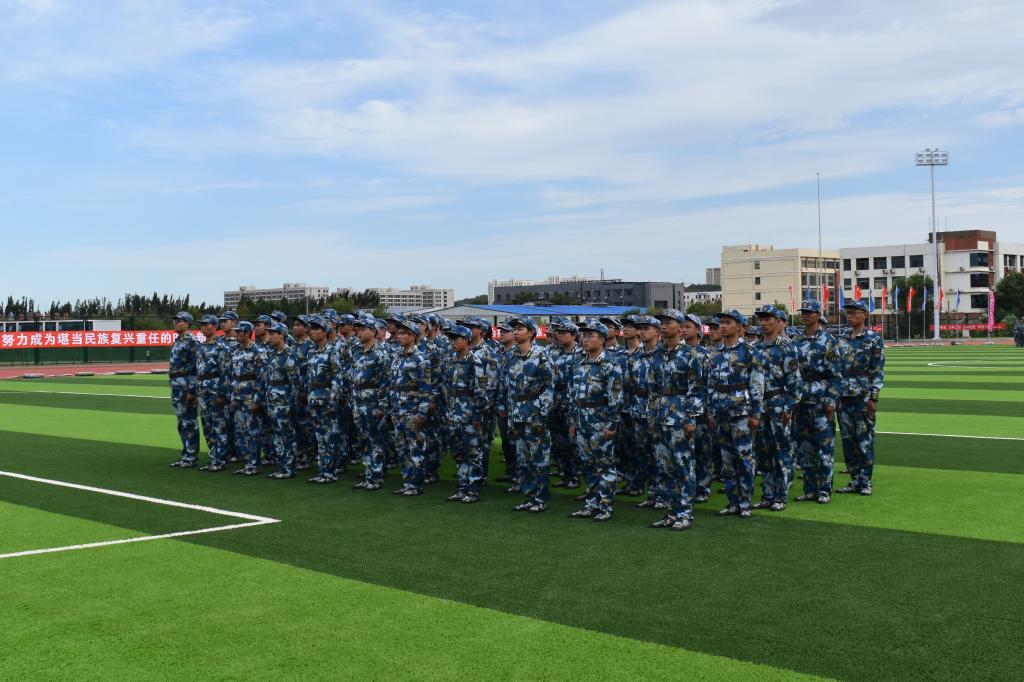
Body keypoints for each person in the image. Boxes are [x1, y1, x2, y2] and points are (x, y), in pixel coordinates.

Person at [648, 309, 705, 532]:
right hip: (661, 416)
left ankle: (685, 513)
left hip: (680, 417)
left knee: (683, 466)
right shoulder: (656, 354)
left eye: (668, 322)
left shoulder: (690, 355)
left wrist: (691, 418)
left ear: (681, 328)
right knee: (665, 467)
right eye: (661, 323)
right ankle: (671, 511)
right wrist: (651, 415)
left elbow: (697, 389)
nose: (663, 326)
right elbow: (653, 388)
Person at [705, 310, 764, 518]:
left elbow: (757, 384)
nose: (722, 326)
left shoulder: (749, 351)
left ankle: (745, 503)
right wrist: (710, 411)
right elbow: (710, 384)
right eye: (721, 322)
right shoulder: (715, 353)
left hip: (741, 413)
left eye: (728, 322)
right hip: (721, 413)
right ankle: (732, 502)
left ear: (740, 327)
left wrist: (756, 414)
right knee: (727, 462)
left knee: (745, 459)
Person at [567, 319, 624, 522]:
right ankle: (591, 504)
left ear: (602, 340)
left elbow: (616, 399)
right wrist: (573, 422)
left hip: (601, 423)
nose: (585, 339)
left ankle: (605, 506)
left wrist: (611, 425)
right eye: (583, 335)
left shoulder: (610, 366)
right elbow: (572, 394)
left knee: (605, 466)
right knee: (588, 465)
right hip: (582, 421)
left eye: (590, 335)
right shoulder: (579, 363)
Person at [497, 316, 553, 514]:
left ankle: (540, 499)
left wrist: (542, 415)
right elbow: (508, 387)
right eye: (513, 329)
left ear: (531, 333)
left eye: (519, 329)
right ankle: (530, 497)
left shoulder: (541, 356)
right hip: (517, 415)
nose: (515, 332)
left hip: (534, 416)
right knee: (523, 460)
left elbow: (548, 388)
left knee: (539, 460)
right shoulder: (511, 356)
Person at [753, 305, 802, 511]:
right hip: (760, 407)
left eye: (768, 319)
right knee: (763, 453)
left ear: (778, 321)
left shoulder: (786, 347)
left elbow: (794, 380)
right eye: (761, 319)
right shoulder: (755, 348)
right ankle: (767, 494)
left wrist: (789, 407)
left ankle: (780, 495)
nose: (764, 323)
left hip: (779, 405)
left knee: (781, 451)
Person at [793, 300, 842, 504]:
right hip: (802, 401)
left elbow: (836, 374)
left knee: (824, 447)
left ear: (818, 315)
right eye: (803, 312)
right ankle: (810, 489)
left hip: (821, 401)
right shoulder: (796, 341)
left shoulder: (828, 340)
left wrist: (830, 400)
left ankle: (824, 490)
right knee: (805, 449)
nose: (805, 315)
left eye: (809, 312)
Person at [835, 300, 885, 496]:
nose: (850, 316)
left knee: (864, 440)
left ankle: (865, 482)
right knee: (848, 441)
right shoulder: (841, 339)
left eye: (854, 312)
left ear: (864, 314)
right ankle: (854, 479)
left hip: (863, 397)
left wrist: (874, 398)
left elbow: (877, 370)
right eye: (848, 313)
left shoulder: (873, 339)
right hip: (843, 396)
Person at [440, 324, 490, 503]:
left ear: (467, 340)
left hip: (469, 416)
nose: (453, 342)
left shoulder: (475, 362)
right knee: (458, 453)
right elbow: (445, 387)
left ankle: (473, 489)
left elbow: (481, 392)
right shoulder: (449, 361)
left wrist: (477, 416)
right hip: (453, 415)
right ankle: (462, 488)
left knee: (474, 453)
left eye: (457, 339)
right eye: (451, 339)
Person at [388, 318, 432, 496]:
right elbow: (393, 385)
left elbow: (426, 389)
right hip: (398, 410)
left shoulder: (422, 359)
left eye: (402, 333)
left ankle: (415, 484)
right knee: (401, 449)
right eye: (398, 333)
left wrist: (421, 413)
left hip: (412, 411)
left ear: (412, 336)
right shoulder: (397, 357)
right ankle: (407, 482)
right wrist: (392, 409)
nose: (398, 336)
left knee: (415, 448)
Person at [349, 315, 391, 491]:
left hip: (373, 403)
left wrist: (382, 406)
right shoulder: (357, 352)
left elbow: (385, 382)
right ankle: (368, 476)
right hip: (359, 402)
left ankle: (376, 478)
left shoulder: (381, 353)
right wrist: (354, 403)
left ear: (373, 332)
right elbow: (354, 380)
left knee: (376, 441)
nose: (358, 332)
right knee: (365, 440)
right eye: (357, 329)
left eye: (363, 329)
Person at [305, 315, 344, 484]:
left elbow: (337, 378)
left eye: (316, 329)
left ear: (324, 332)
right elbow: (309, 379)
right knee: (320, 438)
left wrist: (332, 401)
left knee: (330, 436)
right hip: (314, 399)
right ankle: (323, 470)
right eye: (311, 329)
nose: (312, 332)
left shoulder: (332, 352)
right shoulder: (311, 353)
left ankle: (330, 472)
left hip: (327, 400)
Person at [624, 315, 660, 499]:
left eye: (646, 328)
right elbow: (630, 385)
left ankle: (661, 494)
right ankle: (650, 491)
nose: (642, 331)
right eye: (640, 328)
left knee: (659, 454)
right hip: (638, 410)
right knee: (642, 452)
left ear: (657, 331)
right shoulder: (635, 357)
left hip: (658, 413)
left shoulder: (663, 354)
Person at [548, 318, 583, 490]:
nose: (559, 335)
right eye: (559, 332)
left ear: (573, 335)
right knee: (558, 442)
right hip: (555, 402)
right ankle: (565, 473)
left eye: (564, 333)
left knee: (573, 442)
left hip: (572, 404)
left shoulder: (581, 354)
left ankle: (575, 475)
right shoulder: (554, 353)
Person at [261, 322, 299, 479]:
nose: (270, 336)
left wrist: (290, 404)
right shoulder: (271, 354)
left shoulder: (290, 354)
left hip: (284, 402)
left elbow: (294, 382)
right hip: (272, 400)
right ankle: (281, 467)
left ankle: (289, 468)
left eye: (273, 333)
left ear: (282, 335)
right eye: (269, 333)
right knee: (277, 435)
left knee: (287, 435)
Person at [228, 321, 267, 476]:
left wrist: (257, 399)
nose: (236, 334)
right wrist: (232, 397)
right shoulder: (236, 351)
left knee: (252, 432)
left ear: (247, 333)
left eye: (239, 332)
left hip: (250, 397)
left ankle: (253, 464)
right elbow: (233, 376)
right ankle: (247, 462)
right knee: (241, 432)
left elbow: (262, 378)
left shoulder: (258, 351)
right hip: (238, 397)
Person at [195, 314, 231, 472]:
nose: (203, 327)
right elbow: (198, 371)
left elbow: (226, 372)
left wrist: (222, 394)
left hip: (216, 391)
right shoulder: (201, 347)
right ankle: (213, 458)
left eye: (206, 324)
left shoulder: (222, 347)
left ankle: (220, 460)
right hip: (203, 391)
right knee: (207, 426)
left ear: (215, 326)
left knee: (219, 426)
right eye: (202, 324)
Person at [167, 311, 200, 468]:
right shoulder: (178, 340)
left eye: (179, 320)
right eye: (175, 320)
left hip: (186, 386)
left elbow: (195, 368)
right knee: (181, 422)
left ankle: (191, 455)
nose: (175, 323)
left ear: (187, 323)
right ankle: (186, 454)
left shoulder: (192, 341)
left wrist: (192, 391)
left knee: (189, 422)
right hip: (176, 386)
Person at [493, 317, 518, 484]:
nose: (502, 334)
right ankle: (510, 472)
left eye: (506, 331)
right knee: (506, 441)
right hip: (500, 403)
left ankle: (519, 475)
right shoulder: (498, 352)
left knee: (517, 442)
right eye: (501, 331)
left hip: (515, 404)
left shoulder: (518, 353)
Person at [290, 315, 316, 470]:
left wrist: (305, 391)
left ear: (306, 328)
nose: (295, 327)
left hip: (304, 394)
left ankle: (308, 457)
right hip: (293, 393)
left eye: (299, 325)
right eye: (294, 325)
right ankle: (299, 455)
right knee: (296, 426)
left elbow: (310, 372)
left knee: (306, 426)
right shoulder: (293, 346)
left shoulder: (310, 346)